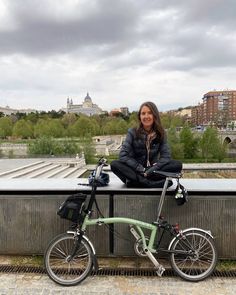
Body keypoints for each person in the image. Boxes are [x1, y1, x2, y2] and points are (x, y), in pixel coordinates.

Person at [110, 101, 182, 188]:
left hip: (152, 171)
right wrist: (141, 169)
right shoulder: (132, 132)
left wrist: (151, 170)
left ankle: (136, 182)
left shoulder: (161, 133)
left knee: (177, 165)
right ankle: (148, 183)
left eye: (150, 113)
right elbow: (123, 155)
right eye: (143, 113)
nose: (146, 116)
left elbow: (166, 157)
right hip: (135, 170)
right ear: (140, 117)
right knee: (114, 164)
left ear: (154, 115)